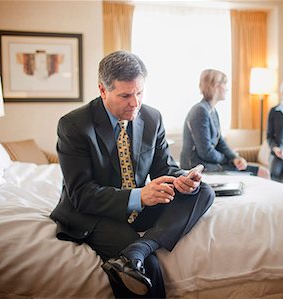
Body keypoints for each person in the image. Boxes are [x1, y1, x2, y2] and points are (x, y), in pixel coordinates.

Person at [50, 50, 215, 298]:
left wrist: (181, 179)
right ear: (103, 90)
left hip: (139, 209)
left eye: (139, 92)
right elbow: (81, 195)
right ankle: (137, 256)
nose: (135, 103)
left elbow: (164, 168)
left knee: (203, 191)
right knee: (147, 270)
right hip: (91, 212)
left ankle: (139, 248)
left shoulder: (151, 117)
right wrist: (138, 196)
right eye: (125, 95)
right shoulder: (73, 125)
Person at [180, 69, 270, 178]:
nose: (227, 88)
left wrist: (234, 157)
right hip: (197, 166)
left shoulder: (212, 111)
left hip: (208, 163)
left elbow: (220, 141)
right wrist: (229, 160)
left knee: (262, 171)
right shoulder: (200, 111)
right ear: (215, 86)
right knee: (261, 173)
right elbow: (206, 152)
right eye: (225, 84)